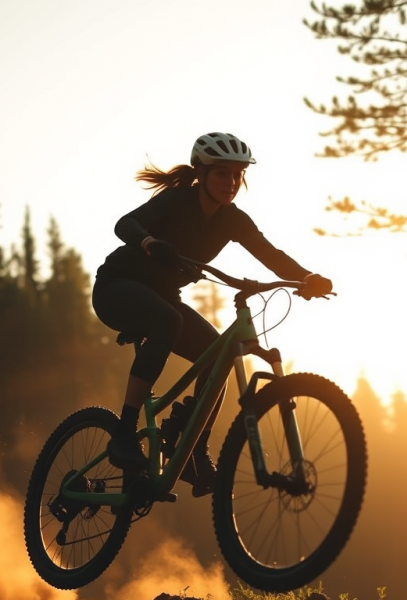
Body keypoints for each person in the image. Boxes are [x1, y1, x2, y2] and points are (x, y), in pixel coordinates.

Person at [92, 132, 333, 496]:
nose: (231, 183)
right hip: (117, 287)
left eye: (237, 176)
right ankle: (124, 434)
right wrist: (148, 242)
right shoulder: (175, 201)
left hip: (163, 298)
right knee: (168, 321)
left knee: (219, 353)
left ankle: (188, 444)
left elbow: (270, 254)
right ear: (201, 174)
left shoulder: (233, 220)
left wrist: (306, 278)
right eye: (223, 174)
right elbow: (125, 224)